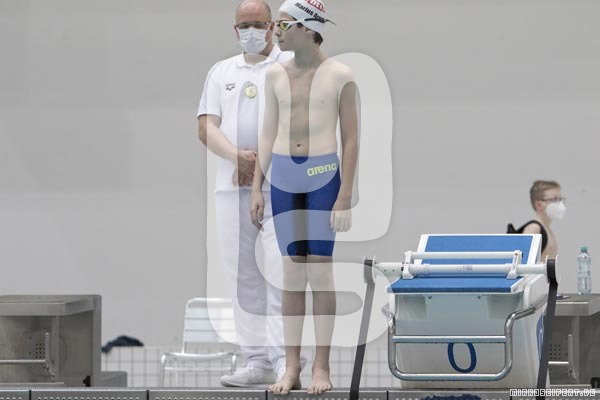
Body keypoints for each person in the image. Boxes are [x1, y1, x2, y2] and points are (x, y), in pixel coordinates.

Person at [250, 0, 359, 394]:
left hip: (321, 176)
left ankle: (321, 366)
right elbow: (267, 132)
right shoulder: (274, 74)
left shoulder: (340, 75)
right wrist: (257, 187)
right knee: (292, 274)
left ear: (309, 28)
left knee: (321, 273)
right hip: (283, 177)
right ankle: (292, 365)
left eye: (283, 25)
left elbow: (351, 139)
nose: (275, 32)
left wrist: (344, 195)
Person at [197, 0, 296, 387]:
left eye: (258, 24)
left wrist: (263, 164)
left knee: (281, 274)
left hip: (281, 185)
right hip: (232, 186)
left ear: (272, 26)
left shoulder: (289, 64)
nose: (251, 31)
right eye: (244, 26)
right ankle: (255, 359)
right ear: (234, 29)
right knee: (243, 276)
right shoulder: (221, 71)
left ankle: (287, 360)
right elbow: (206, 127)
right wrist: (236, 157)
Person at [522, 180, 566, 260]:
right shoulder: (534, 228)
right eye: (554, 199)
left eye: (560, 199)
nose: (559, 203)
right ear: (539, 205)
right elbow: (523, 262)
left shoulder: (546, 228)